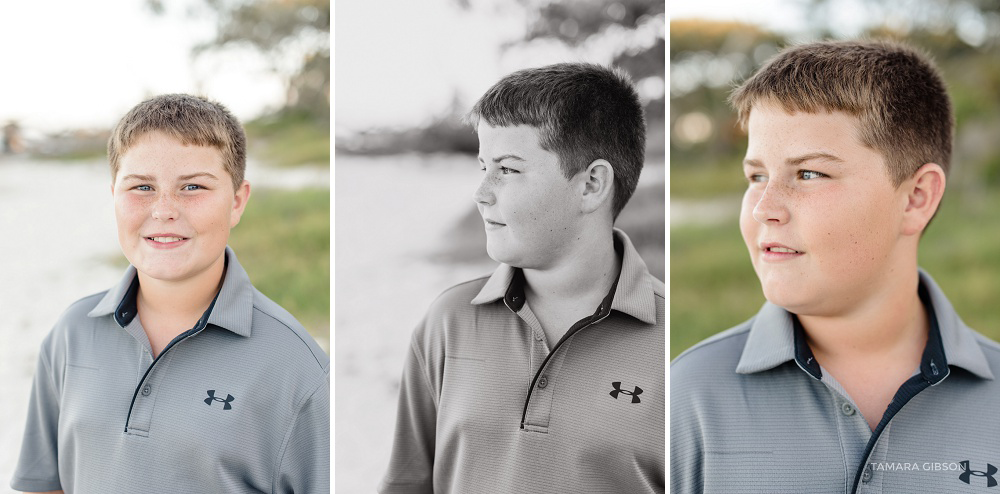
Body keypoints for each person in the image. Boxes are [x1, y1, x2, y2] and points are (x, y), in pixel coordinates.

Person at [671, 39, 1000, 492]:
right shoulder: (686, 396)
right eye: (757, 176)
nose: (764, 208)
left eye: (809, 174)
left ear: (916, 198)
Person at [10, 94, 330, 493]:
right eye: (142, 187)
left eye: (193, 186)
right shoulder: (72, 333)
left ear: (237, 201)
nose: (164, 209)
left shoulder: (297, 367)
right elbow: (45, 484)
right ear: (114, 195)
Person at [378, 63, 665, 494]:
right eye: (482, 168)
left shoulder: (672, 345)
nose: (481, 192)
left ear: (591, 184)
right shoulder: (448, 322)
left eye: (507, 169)